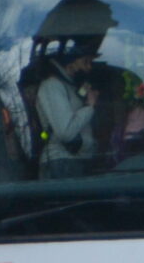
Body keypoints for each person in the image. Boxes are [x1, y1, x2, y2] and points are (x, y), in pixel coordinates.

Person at [36, 43, 100, 177]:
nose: (89, 68)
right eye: (85, 62)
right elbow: (66, 132)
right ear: (70, 62)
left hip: (77, 159)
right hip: (61, 163)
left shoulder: (69, 86)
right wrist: (90, 107)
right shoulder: (52, 86)